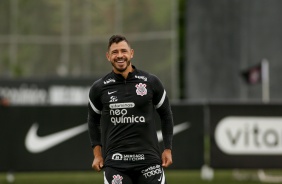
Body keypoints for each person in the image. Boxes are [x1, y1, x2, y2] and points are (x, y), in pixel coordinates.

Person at [87, 35, 174, 184]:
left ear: (131, 53)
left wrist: (167, 149)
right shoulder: (99, 88)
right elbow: (93, 121)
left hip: (149, 162)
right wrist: (97, 155)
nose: (120, 56)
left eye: (123, 51)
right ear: (108, 56)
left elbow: (166, 115)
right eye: (115, 52)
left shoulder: (151, 82)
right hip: (116, 164)